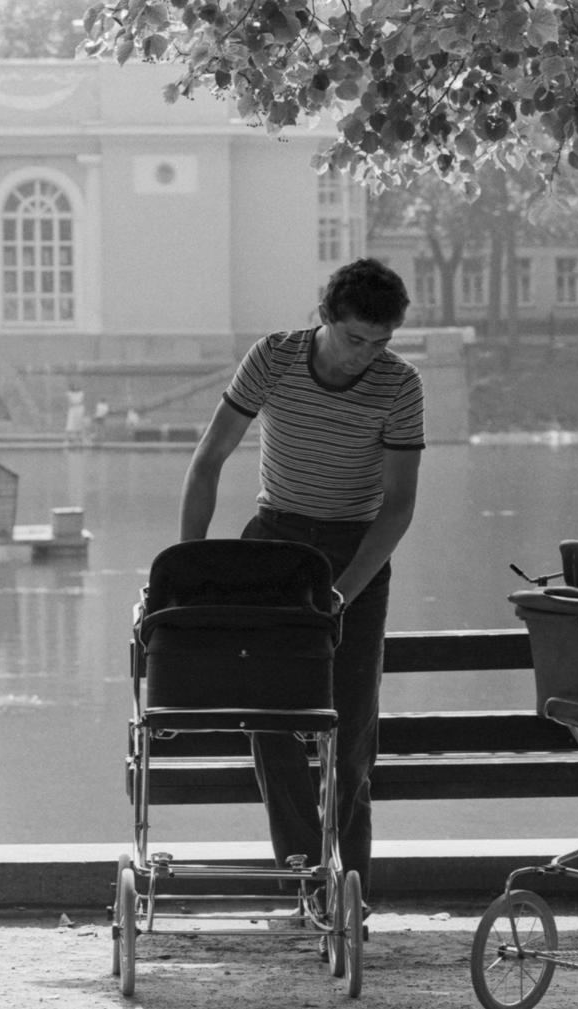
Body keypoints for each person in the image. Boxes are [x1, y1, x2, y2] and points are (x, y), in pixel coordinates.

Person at [178, 258, 424, 907]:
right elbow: (208, 461)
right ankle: (304, 876)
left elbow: (398, 507)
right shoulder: (275, 358)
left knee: (350, 731)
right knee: (270, 720)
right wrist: (189, 564)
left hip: (357, 550)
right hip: (275, 544)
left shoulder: (399, 386)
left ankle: (349, 893)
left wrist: (343, 589)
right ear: (325, 318)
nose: (364, 356)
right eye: (353, 340)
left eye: (380, 343)